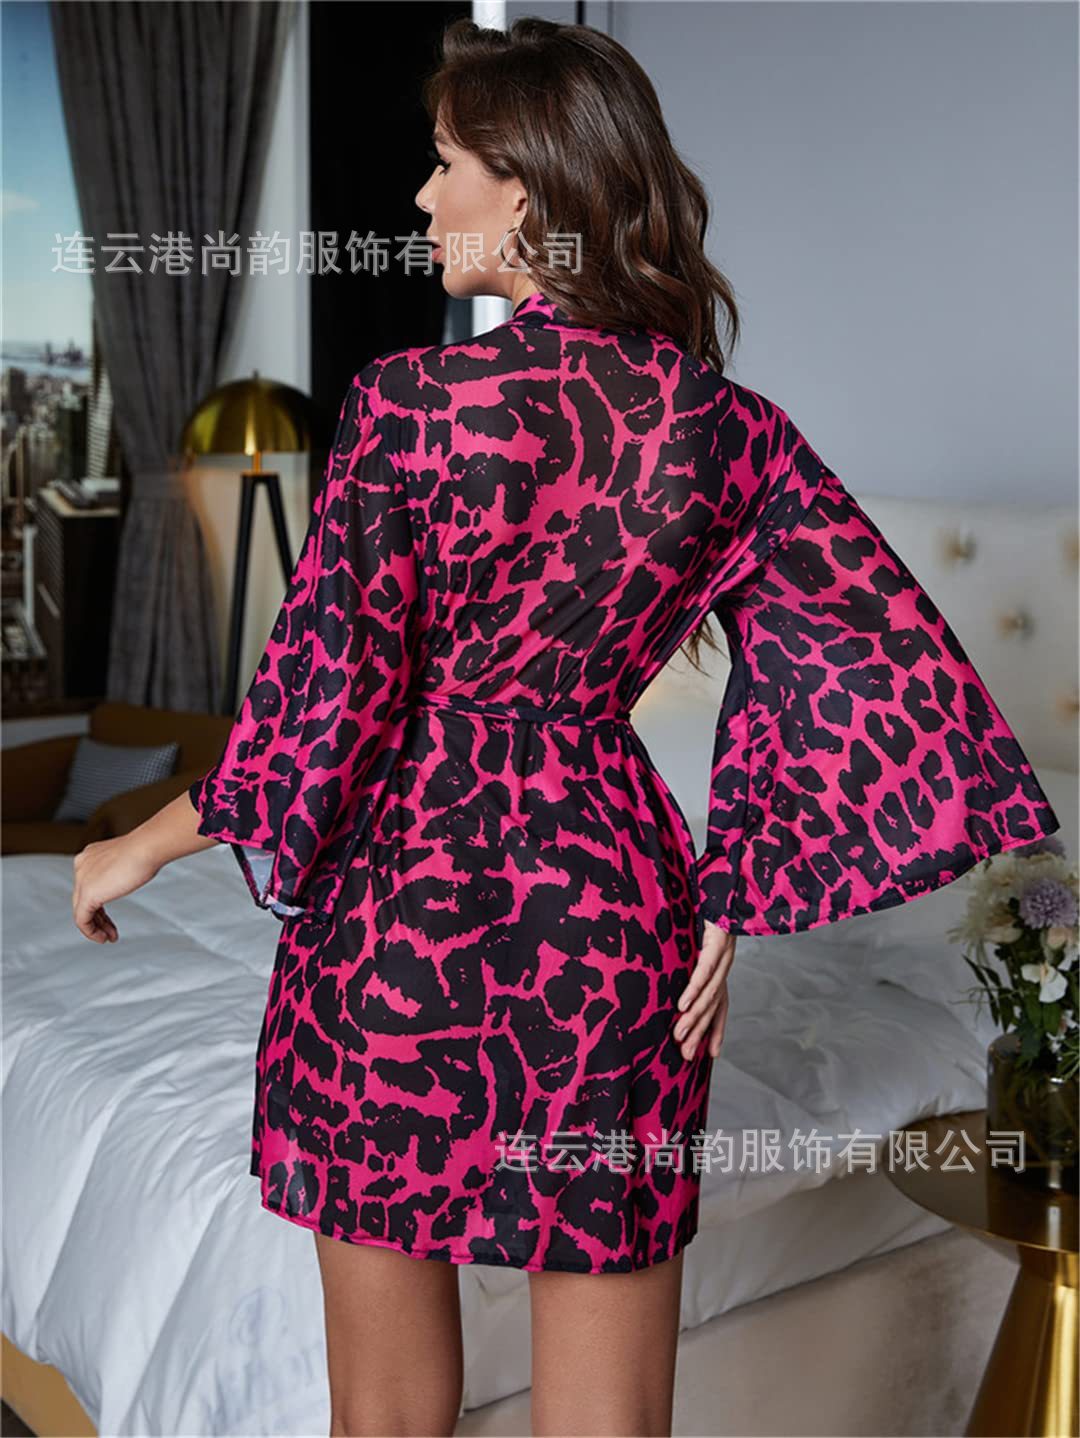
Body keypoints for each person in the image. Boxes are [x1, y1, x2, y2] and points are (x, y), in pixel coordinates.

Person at [71, 16, 1061, 1438]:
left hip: (392, 918)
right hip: (613, 923)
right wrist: (735, 883)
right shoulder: (727, 431)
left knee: (383, 1417)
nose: (423, 195)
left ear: (526, 186)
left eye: (444, 161)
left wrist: (140, 843)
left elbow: (320, 705)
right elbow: (864, 658)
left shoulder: (407, 408)